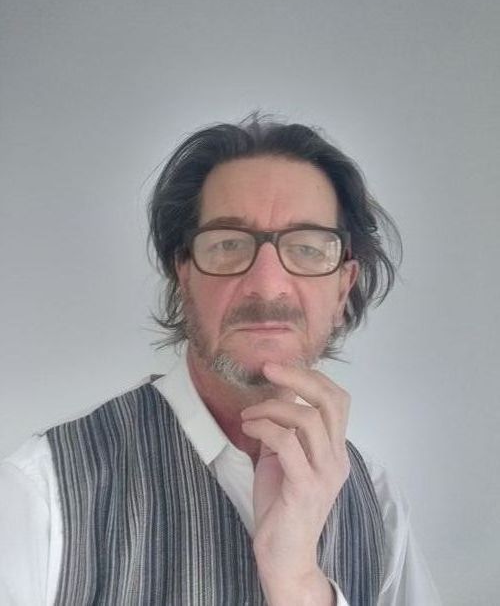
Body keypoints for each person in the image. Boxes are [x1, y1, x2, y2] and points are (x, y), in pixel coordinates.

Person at [0, 115, 441, 605]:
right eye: (229, 244)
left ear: (343, 287)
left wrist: (299, 585)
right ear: (184, 275)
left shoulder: (377, 501)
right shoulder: (40, 493)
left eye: (307, 247)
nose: (267, 285)